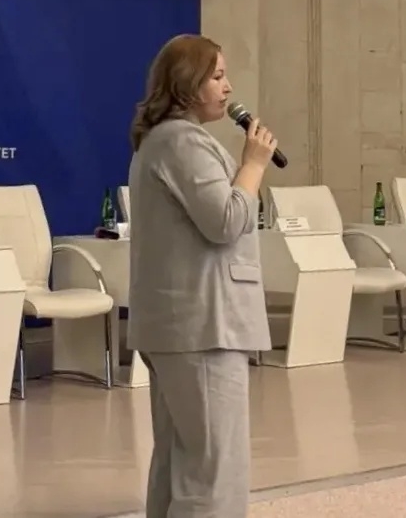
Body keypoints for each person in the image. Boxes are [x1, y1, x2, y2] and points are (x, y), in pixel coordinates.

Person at [127, 35, 277, 518]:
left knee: (180, 461)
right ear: (186, 83)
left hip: (183, 324)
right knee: (214, 471)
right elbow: (226, 221)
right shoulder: (183, 141)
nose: (228, 88)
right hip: (202, 325)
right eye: (217, 76)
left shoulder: (166, 140)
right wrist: (253, 164)